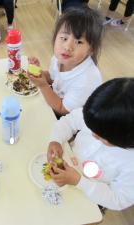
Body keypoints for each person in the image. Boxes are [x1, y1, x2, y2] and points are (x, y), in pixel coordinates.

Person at [47, 78, 134, 211]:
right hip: (69, 166)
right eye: (90, 128)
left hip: (91, 198)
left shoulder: (130, 163)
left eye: (101, 137)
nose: (93, 135)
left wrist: (79, 181)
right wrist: (56, 140)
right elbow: (69, 122)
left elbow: (118, 200)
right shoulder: (99, 114)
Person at [27, 7, 103, 117]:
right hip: (57, 102)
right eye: (64, 38)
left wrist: (43, 85)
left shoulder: (87, 80)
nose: (67, 47)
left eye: (79, 42)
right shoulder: (59, 58)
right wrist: (39, 73)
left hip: (74, 122)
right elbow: (53, 77)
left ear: (91, 49)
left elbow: (62, 110)